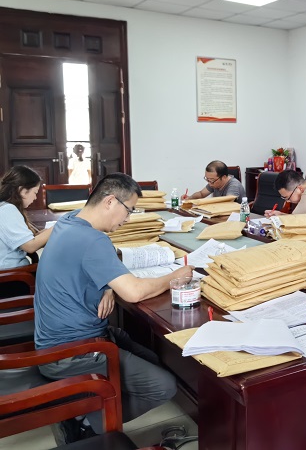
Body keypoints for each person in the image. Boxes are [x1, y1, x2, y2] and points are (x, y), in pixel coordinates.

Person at [34, 173, 193, 443]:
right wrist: (176, 276)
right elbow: (134, 292)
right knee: (163, 385)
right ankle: (86, 422)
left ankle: (87, 407)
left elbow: (93, 264)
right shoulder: (93, 240)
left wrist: (108, 286)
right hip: (70, 353)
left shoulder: (70, 220)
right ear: (110, 201)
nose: (128, 219)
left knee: (152, 357)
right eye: (129, 210)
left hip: (55, 342)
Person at [0, 165, 53, 269]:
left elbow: (26, 239)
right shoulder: (7, 210)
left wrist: (46, 232)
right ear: (23, 191)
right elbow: (30, 246)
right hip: (12, 274)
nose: (35, 197)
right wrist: (58, 226)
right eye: (35, 193)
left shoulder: (5, 207)